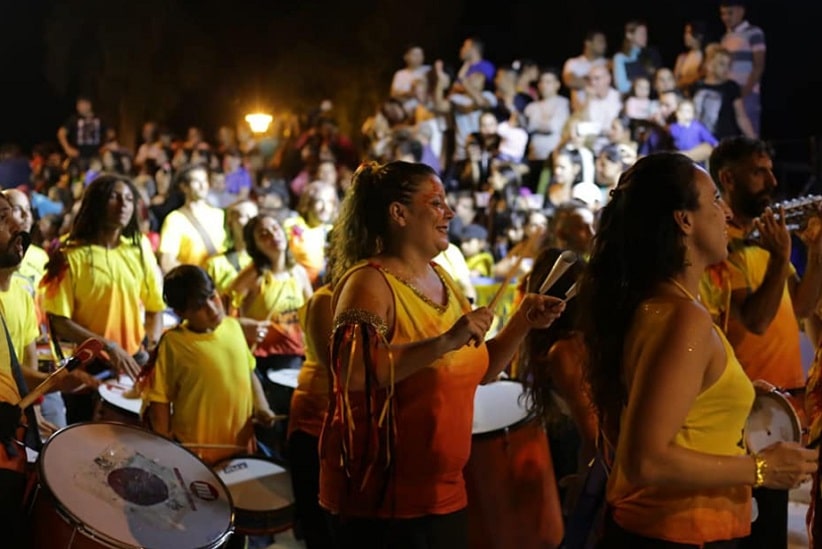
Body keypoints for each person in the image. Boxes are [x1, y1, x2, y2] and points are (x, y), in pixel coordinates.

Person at [319, 160, 565, 548]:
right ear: (398, 213)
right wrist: (443, 342)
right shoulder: (370, 281)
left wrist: (522, 322)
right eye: (435, 202)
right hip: (383, 505)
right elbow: (353, 372)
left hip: (446, 495)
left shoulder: (442, 278)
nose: (448, 212)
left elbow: (479, 370)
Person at [577, 152, 816, 546]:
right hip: (677, 531)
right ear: (683, 219)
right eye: (714, 200)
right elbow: (645, 460)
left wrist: (730, 388)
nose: (725, 214)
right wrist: (759, 469)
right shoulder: (684, 317)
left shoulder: (654, 302)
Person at [700, 137, 822, 548]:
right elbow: (756, 319)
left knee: (770, 527)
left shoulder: (763, 239)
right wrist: (778, 256)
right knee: (746, 532)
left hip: (780, 404)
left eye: (771, 170)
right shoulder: (722, 247)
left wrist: (816, 251)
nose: (772, 180)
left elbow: (801, 305)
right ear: (728, 178)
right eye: (759, 171)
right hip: (746, 410)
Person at [41, 174, 165, 423]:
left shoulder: (140, 248)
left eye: (129, 199)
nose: (124, 205)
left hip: (133, 359)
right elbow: (58, 320)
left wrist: (151, 350)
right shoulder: (68, 253)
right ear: (96, 202)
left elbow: (155, 308)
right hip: (89, 366)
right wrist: (107, 345)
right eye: (114, 197)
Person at [158, 164, 228, 273]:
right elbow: (167, 262)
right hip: (196, 285)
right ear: (184, 187)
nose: (202, 185)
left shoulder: (219, 214)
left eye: (204, 181)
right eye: (196, 181)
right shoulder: (175, 220)